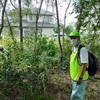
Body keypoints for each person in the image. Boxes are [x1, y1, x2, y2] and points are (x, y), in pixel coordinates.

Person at [69, 30, 89, 100]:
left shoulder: (82, 49)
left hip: (80, 78)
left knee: (78, 97)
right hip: (74, 77)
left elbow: (84, 64)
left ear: (79, 39)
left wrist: (80, 77)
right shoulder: (74, 49)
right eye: (71, 38)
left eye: (74, 38)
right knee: (75, 95)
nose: (72, 40)